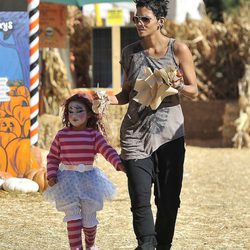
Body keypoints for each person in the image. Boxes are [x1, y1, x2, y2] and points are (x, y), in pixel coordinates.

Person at [96, 0, 198, 249]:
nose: (139, 24)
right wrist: (106, 100)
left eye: (145, 19)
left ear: (160, 22)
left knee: (168, 201)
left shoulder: (178, 50)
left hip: (169, 136)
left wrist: (174, 85)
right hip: (134, 135)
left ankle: (162, 245)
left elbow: (194, 90)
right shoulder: (130, 52)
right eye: (136, 19)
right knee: (140, 199)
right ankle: (146, 245)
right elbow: (126, 93)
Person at [44, 93, 125, 250]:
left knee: (89, 220)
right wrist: (51, 174)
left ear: (89, 114)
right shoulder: (62, 135)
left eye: (78, 111)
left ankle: (90, 244)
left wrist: (118, 163)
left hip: (89, 180)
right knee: (72, 218)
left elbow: (107, 150)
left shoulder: (93, 135)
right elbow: (53, 156)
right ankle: (76, 248)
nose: (74, 115)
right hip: (67, 180)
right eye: (70, 111)